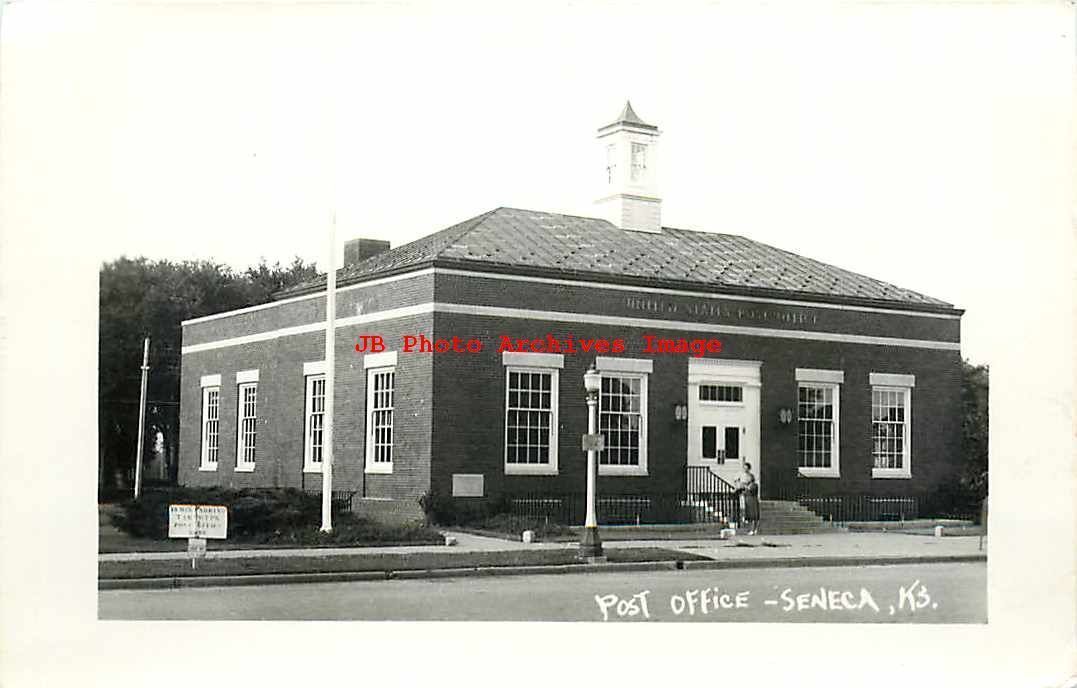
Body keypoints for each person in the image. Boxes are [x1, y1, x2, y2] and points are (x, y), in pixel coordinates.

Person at [735, 462, 760, 535]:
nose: (745, 470)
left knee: (753, 515)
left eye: (746, 468)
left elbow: (751, 490)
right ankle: (751, 529)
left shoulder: (753, 485)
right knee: (749, 515)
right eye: (744, 468)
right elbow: (742, 487)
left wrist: (746, 487)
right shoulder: (742, 476)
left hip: (752, 500)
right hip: (747, 499)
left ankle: (753, 529)